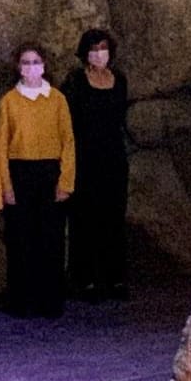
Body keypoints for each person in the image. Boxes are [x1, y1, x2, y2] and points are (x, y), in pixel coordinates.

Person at [0, 43, 74, 317]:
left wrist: (65, 182)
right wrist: (6, 186)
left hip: (49, 173)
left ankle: (50, 300)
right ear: (18, 67)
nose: (31, 67)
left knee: (51, 239)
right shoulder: (8, 101)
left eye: (36, 61)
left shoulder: (57, 99)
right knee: (21, 239)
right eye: (26, 62)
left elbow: (68, 142)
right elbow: (1, 147)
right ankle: (22, 301)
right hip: (20, 173)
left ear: (44, 65)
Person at [62, 27, 129, 301]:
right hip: (85, 157)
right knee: (85, 218)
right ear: (85, 52)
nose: (99, 53)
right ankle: (84, 279)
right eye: (93, 48)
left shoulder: (120, 79)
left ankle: (114, 277)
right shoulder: (76, 80)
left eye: (103, 47)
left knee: (113, 217)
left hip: (113, 156)